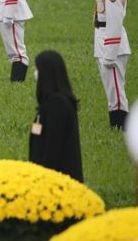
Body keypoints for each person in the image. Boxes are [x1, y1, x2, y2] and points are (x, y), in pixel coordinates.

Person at [92, 0, 130, 129]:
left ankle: (121, 128)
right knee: (112, 92)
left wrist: (110, 53)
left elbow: (114, 20)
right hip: (106, 41)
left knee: (116, 93)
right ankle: (117, 128)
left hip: (111, 43)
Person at [29, 50, 83, 182]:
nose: (34, 72)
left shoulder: (58, 105)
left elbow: (53, 147)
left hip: (58, 182)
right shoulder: (50, 103)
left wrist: (44, 177)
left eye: (37, 68)